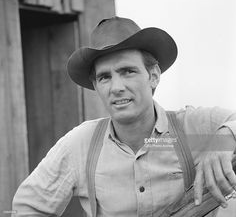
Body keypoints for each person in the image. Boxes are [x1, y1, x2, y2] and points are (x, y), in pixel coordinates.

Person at [12, 16, 236, 217]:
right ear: (96, 86)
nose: (116, 87)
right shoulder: (82, 145)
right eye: (104, 77)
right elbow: (28, 208)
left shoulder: (191, 132)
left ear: (154, 76)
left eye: (128, 71)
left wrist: (224, 140)